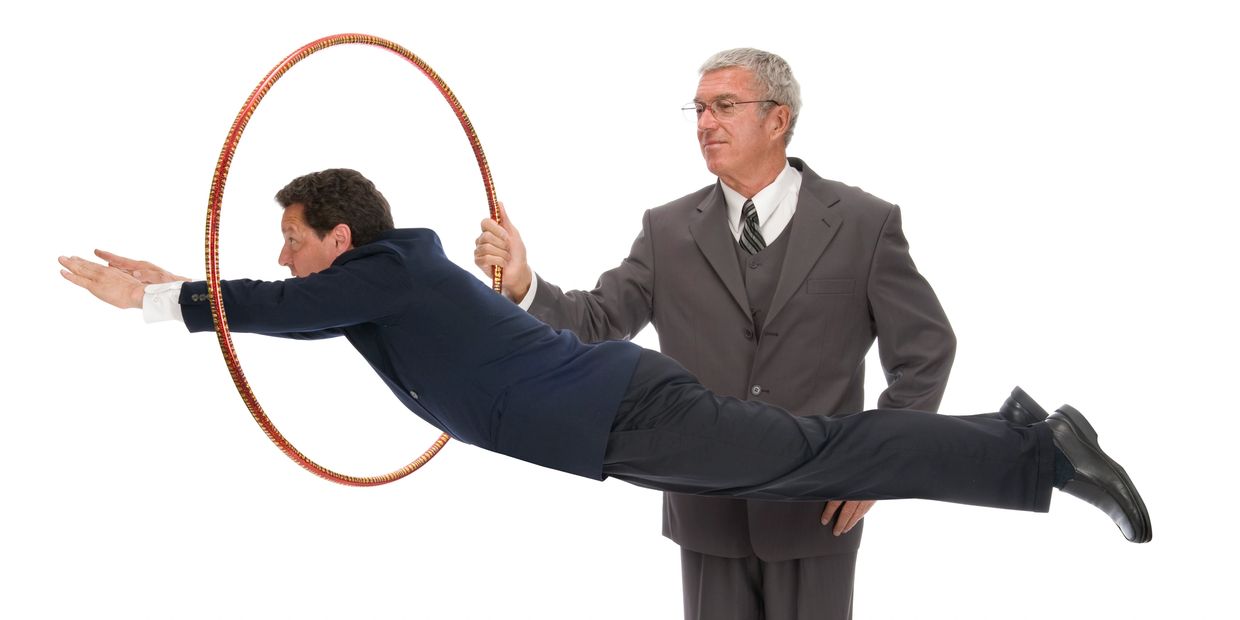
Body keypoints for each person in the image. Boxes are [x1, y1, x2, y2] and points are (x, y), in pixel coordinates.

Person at [58, 168, 1151, 560]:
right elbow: (287, 304)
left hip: (628, 413)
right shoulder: (375, 289)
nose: (283, 252)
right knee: (814, 458)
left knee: (825, 450)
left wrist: (163, 300)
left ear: (339, 234)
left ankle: (1035, 445)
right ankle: (1029, 448)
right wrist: (180, 287)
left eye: (293, 231)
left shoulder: (390, 261)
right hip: (623, 433)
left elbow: (279, 303)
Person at [473, 48, 954, 619]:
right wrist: (526, 284)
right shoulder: (667, 229)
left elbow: (925, 351)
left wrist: (882, 462)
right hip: (706, 504)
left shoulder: (864, 223)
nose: (704, 123)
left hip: (817, 508)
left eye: (724, 106)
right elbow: (598, 322)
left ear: (778, 120)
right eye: (699, 109)